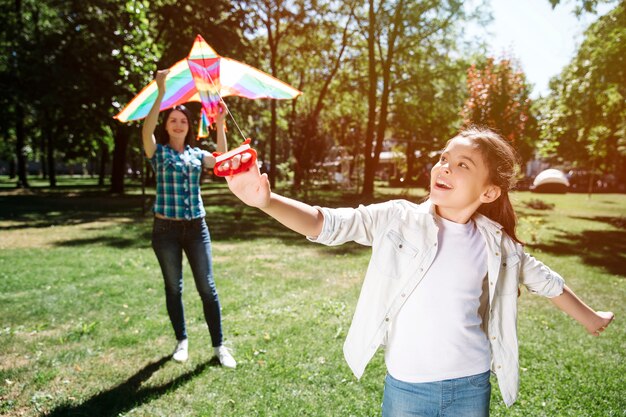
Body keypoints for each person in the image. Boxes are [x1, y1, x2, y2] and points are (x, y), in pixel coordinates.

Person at [218, 126, 614, 415]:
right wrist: (267, 203)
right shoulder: (397, 219)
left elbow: (546, 280)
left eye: (462, 164)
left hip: (470, 384)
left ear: (489, 192)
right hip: (406, 388)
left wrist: (591, 317)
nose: (444, 167)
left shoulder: (496, 243)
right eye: (443, 158)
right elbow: (328, 223)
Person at [142, 69, 236, 368]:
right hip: (165, 231)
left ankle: (219, 346)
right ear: (167, 126)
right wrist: (160, 91)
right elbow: (146, 131)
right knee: (174, 287)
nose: (179, 124)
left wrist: (220, 123)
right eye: (173, 120)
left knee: (207, 287)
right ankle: (181, 341)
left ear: (189, 126)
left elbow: (222, 161)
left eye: (183, 120)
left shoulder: (197, 154)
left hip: (197, 228)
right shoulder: (158, 153)